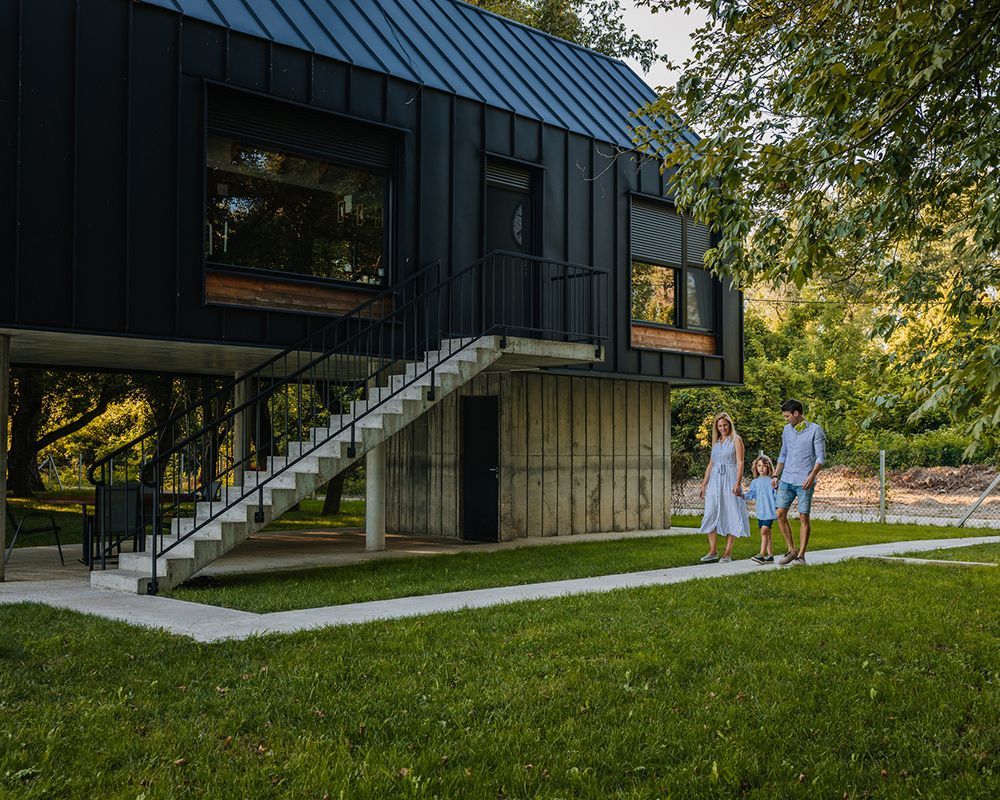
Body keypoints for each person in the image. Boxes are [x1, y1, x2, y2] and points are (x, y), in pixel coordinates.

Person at [772, 399, 826, 566]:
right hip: (787, 479)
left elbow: (820, 458)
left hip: (804, 481)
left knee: (803, 517)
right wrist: (775, 475)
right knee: (780, 513)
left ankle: (801, 556)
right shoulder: (786, 430)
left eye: (787, 416)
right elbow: (783, 454)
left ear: (796, 413)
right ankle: (791, 550)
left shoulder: (815, 430)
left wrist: (812, 475)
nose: (786, 419)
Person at [698, 412, 750, 563]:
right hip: (715, 480)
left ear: (730, 424)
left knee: (731, 512)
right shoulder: (716, 442)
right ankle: (713, 550)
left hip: (730, 479)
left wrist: (737, 483)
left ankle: (728, 552)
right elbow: (711, 464)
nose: (723, 428)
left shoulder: (736, 440)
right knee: (710, 513)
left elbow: (740, 462)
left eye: (725, 425)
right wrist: (703, 485)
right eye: (720, 426)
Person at [744, 454, 777, 564]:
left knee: (764, 531)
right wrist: (742, 495)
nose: (761, 468)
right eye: (759, 465)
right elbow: (751, 494)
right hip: (760, 512)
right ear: (756, 467)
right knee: (767, 533)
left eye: (763, 466)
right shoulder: (755, 482)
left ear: (768, 467)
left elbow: (776, 495)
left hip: (770, 512)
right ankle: (770, 555)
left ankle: (762, 555)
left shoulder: (772, 481)